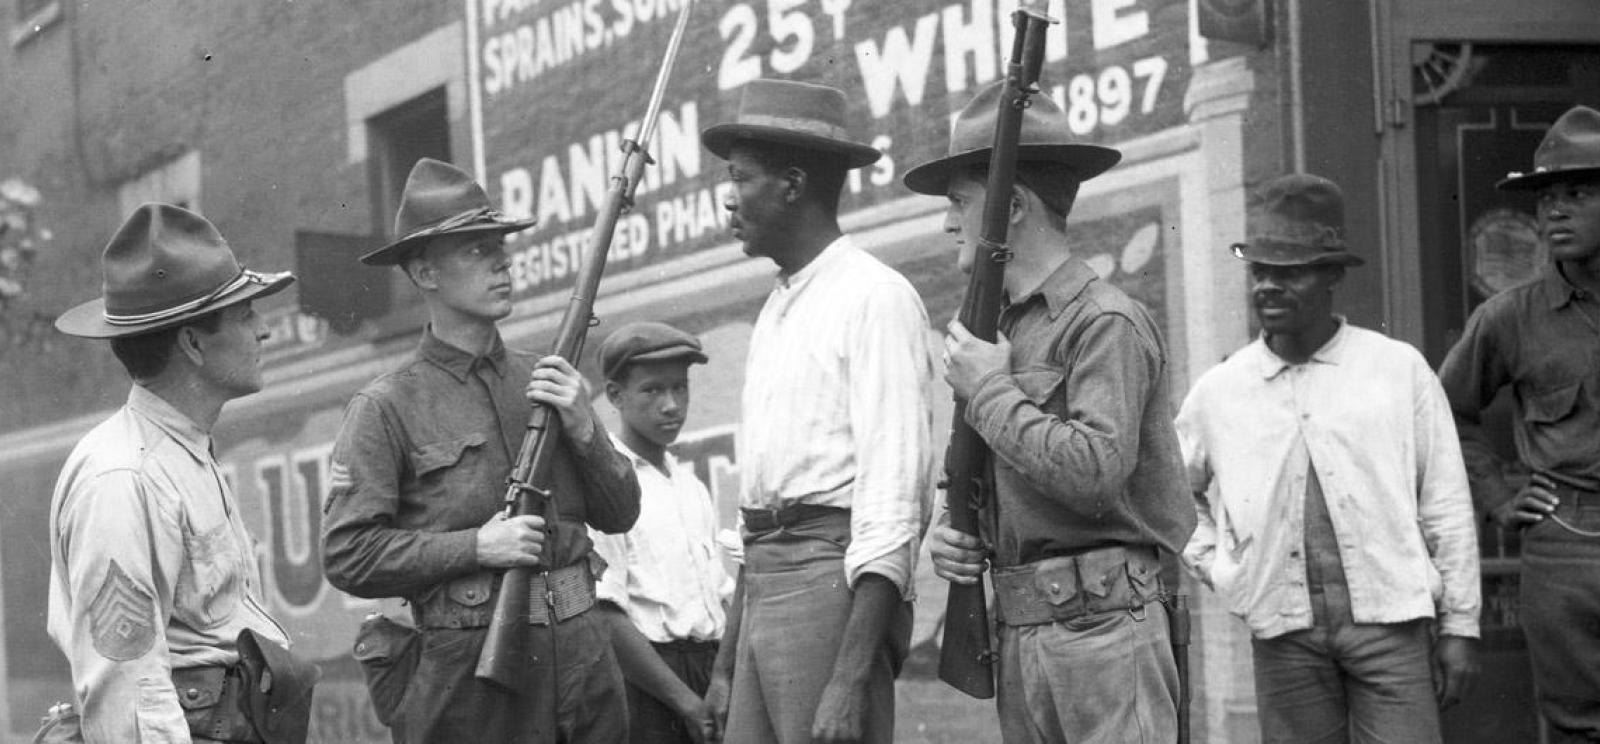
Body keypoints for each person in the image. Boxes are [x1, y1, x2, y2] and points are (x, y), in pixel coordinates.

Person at [320, 158, 641, 742]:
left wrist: (584, 425)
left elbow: (621, 512)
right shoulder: (387, 406)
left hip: (584, 659)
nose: (501, 261)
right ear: (424, 273)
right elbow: (347, 554)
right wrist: (476, 546)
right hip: (473, 678)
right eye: (474, 250)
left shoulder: (547, 379)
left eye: (499, 245)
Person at [913, 81, 1196, 744]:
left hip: (1104, 633)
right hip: (1028, 630)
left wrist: (989, 392)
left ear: (1010, 207)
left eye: (959, 202)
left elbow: (1096, 472)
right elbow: (1007, 481)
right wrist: (957, 535)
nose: (947, 222)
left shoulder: (1105, 323)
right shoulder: (999, 332)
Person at [1177, 174, 1481, 743]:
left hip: (1391, 626)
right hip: (1283, 636)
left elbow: (1445, 502)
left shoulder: (1397, 369)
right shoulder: (1222, 390)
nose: (1269, 286)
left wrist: (1461, 625)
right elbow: (1170, 492)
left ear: (1334, 274)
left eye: (1291, 272)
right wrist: (1221, 568)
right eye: (1261, 272)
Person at [697, 79, 937, 744]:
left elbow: (893, 502)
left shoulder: (874, 298)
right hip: (764, 585)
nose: (728, 196)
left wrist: (850, 678)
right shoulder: (778, 308)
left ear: (793, 183)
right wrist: (724, 666)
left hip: (827, 585)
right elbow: (756, 511)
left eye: (740, 177)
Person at [47, 203, 316, 742]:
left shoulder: (180, 451)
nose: (263, 330)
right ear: (192, 344)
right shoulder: (123, 478)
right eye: (244, 315)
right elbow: (128, 691)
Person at [1438, 105, 1600, 742]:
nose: (1554, 211)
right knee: (1577, 725)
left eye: (1577, 194)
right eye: (1545, 198)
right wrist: (1500, 498)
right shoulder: (1510, 317)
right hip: (1567, 541)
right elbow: (1446, 410)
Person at [590, 321, 731, 744]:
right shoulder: (603, 485)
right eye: (652, 390)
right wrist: (685, 703)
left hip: (708, 672)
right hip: (647, 683)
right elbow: (604, 613)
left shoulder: (689, 486)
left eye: (680, 388)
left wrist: (718, 682)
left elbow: (717, 597)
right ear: (615, 396)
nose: (671, 405)